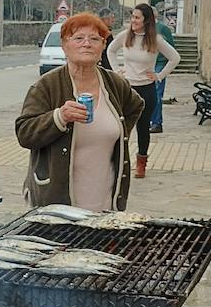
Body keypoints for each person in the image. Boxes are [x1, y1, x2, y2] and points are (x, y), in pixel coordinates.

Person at [16, 12, 143, 211]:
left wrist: (119, 133)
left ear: (102, 46)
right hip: (56, 200)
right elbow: (24, 133)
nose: (87, 44)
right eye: (78, 38)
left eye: (94, 39)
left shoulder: (114, 84)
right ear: (65, 46)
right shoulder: (46, 86)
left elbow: (136, 106)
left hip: (105, 197)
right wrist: (60, 117)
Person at [106, 3, 180, 178]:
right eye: (132, 16)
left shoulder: (156, 39)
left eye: (137, 17)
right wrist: (117, 70)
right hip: (126, 89)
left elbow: (175, 58)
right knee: (120, 128)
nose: (133, 20)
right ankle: (118, 163)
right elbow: (110, 50)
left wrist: (159, 75)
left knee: (143, 129)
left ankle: (141, 164)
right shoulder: (125, 35)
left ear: (147, 20)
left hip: (147, 89)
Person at [149, 11, 176, 134]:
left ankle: (157, 123)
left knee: (157, 93)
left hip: (159, 62)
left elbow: (171, 46)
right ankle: (149, 120)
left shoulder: (163, 29)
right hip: (148, 63)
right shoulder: (145, 29)